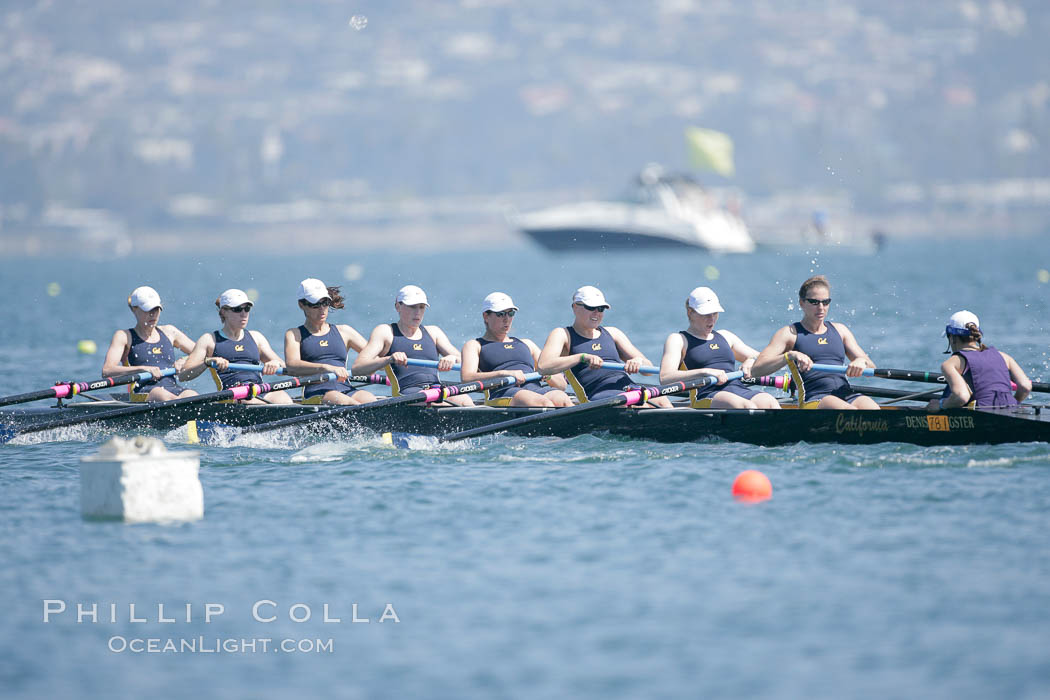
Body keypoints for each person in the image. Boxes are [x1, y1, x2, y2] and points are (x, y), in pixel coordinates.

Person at [751, 275, 880, 409]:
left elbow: (872, 368)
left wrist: (861, 361)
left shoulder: (841, 331)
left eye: (825, 302)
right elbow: (756, 370)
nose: (821, 307)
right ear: (802, 303)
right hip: (814, 399)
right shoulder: (789, 333)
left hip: (846, 395)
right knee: (849, 411)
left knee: (873, 409)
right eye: (814, 302)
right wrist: (789, 356)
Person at [536, 285, 673, 408]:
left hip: (629, 387)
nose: (597, 313)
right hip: (598, 396)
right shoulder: (562, 335)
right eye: (591, 307)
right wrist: (581, 357)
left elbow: (647, 370)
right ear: (575, 307)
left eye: (601, 308)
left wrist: (638, 361)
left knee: (663, 400)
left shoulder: (613, 333)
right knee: (637, 405)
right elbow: (543, 366)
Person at [658, 287, 780, 409]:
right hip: (706, 394)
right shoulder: (678, 340)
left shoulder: (725, 336)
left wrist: (751, 360)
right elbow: (665, 377)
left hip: (738, 389)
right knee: (747, 406)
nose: (711, 319)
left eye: (715, 313)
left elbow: (764, 359)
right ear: (690, 312)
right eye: (705, 314)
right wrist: (705, 372)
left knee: (770, 402)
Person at [352, 284, 474, 406]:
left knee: (465, 400)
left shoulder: (433, 332)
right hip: (407, 396)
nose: (417, 312)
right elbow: (357, 368)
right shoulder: (385, 332)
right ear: (398, 306)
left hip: (436, 390)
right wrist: (389, 359)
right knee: (436, 403)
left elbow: (465, 363)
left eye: (422, 307)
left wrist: (452, 358)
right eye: (412, 307)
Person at [460, 292, 573, 408]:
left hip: (535, 390)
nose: (506, 319)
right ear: (486, 316)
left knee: (564, 400)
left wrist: (547, 375)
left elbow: (562, 385)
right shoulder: (475, 345)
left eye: (511, 313)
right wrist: (504, 374)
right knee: (544, 404)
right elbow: (467, 378)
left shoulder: (527, 344)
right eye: (500, 314)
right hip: (503, 393)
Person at [181, 289, 292, 404]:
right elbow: (184, 375)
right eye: (237, 309)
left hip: (258, 390)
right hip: (232, 395)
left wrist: (275, 363)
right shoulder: (209, 340)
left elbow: (286, 368)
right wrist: (207, 362)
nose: (243, 314)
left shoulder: (256, 337)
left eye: (247, 309)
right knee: (252, 402)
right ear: (224, 312)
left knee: (284, 399)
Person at [283, 278, 377, 405]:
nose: (322, 309)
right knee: (342, 400)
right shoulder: (294, 334)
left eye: (325, 302)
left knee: (369, 398)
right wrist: (326, 368)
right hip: (316, 393)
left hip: (346, 389)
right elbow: (292, 366)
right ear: (301, 305)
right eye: (315, 304)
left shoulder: (345, 331)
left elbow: (374, 357)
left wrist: (391, 359)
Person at [101, 285, 199, 402]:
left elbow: (202, 353)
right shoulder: (124, 336)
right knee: (162, 395)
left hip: (173, 389)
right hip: (143, 391)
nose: (153, 314)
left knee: (192, 395)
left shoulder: (169, 332)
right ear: (134, 309)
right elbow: (107, 371)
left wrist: (184, 360)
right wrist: (142, 369)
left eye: (156, 309)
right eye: (147, 310)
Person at [927, 310, 1031, 411]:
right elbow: (1025, 386)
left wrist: (940, 405)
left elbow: (961, 396)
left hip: (983, 417)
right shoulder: (1004, 356)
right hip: (1011, 411)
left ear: (952, 337)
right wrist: (1013, 403)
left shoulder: (951, 363)